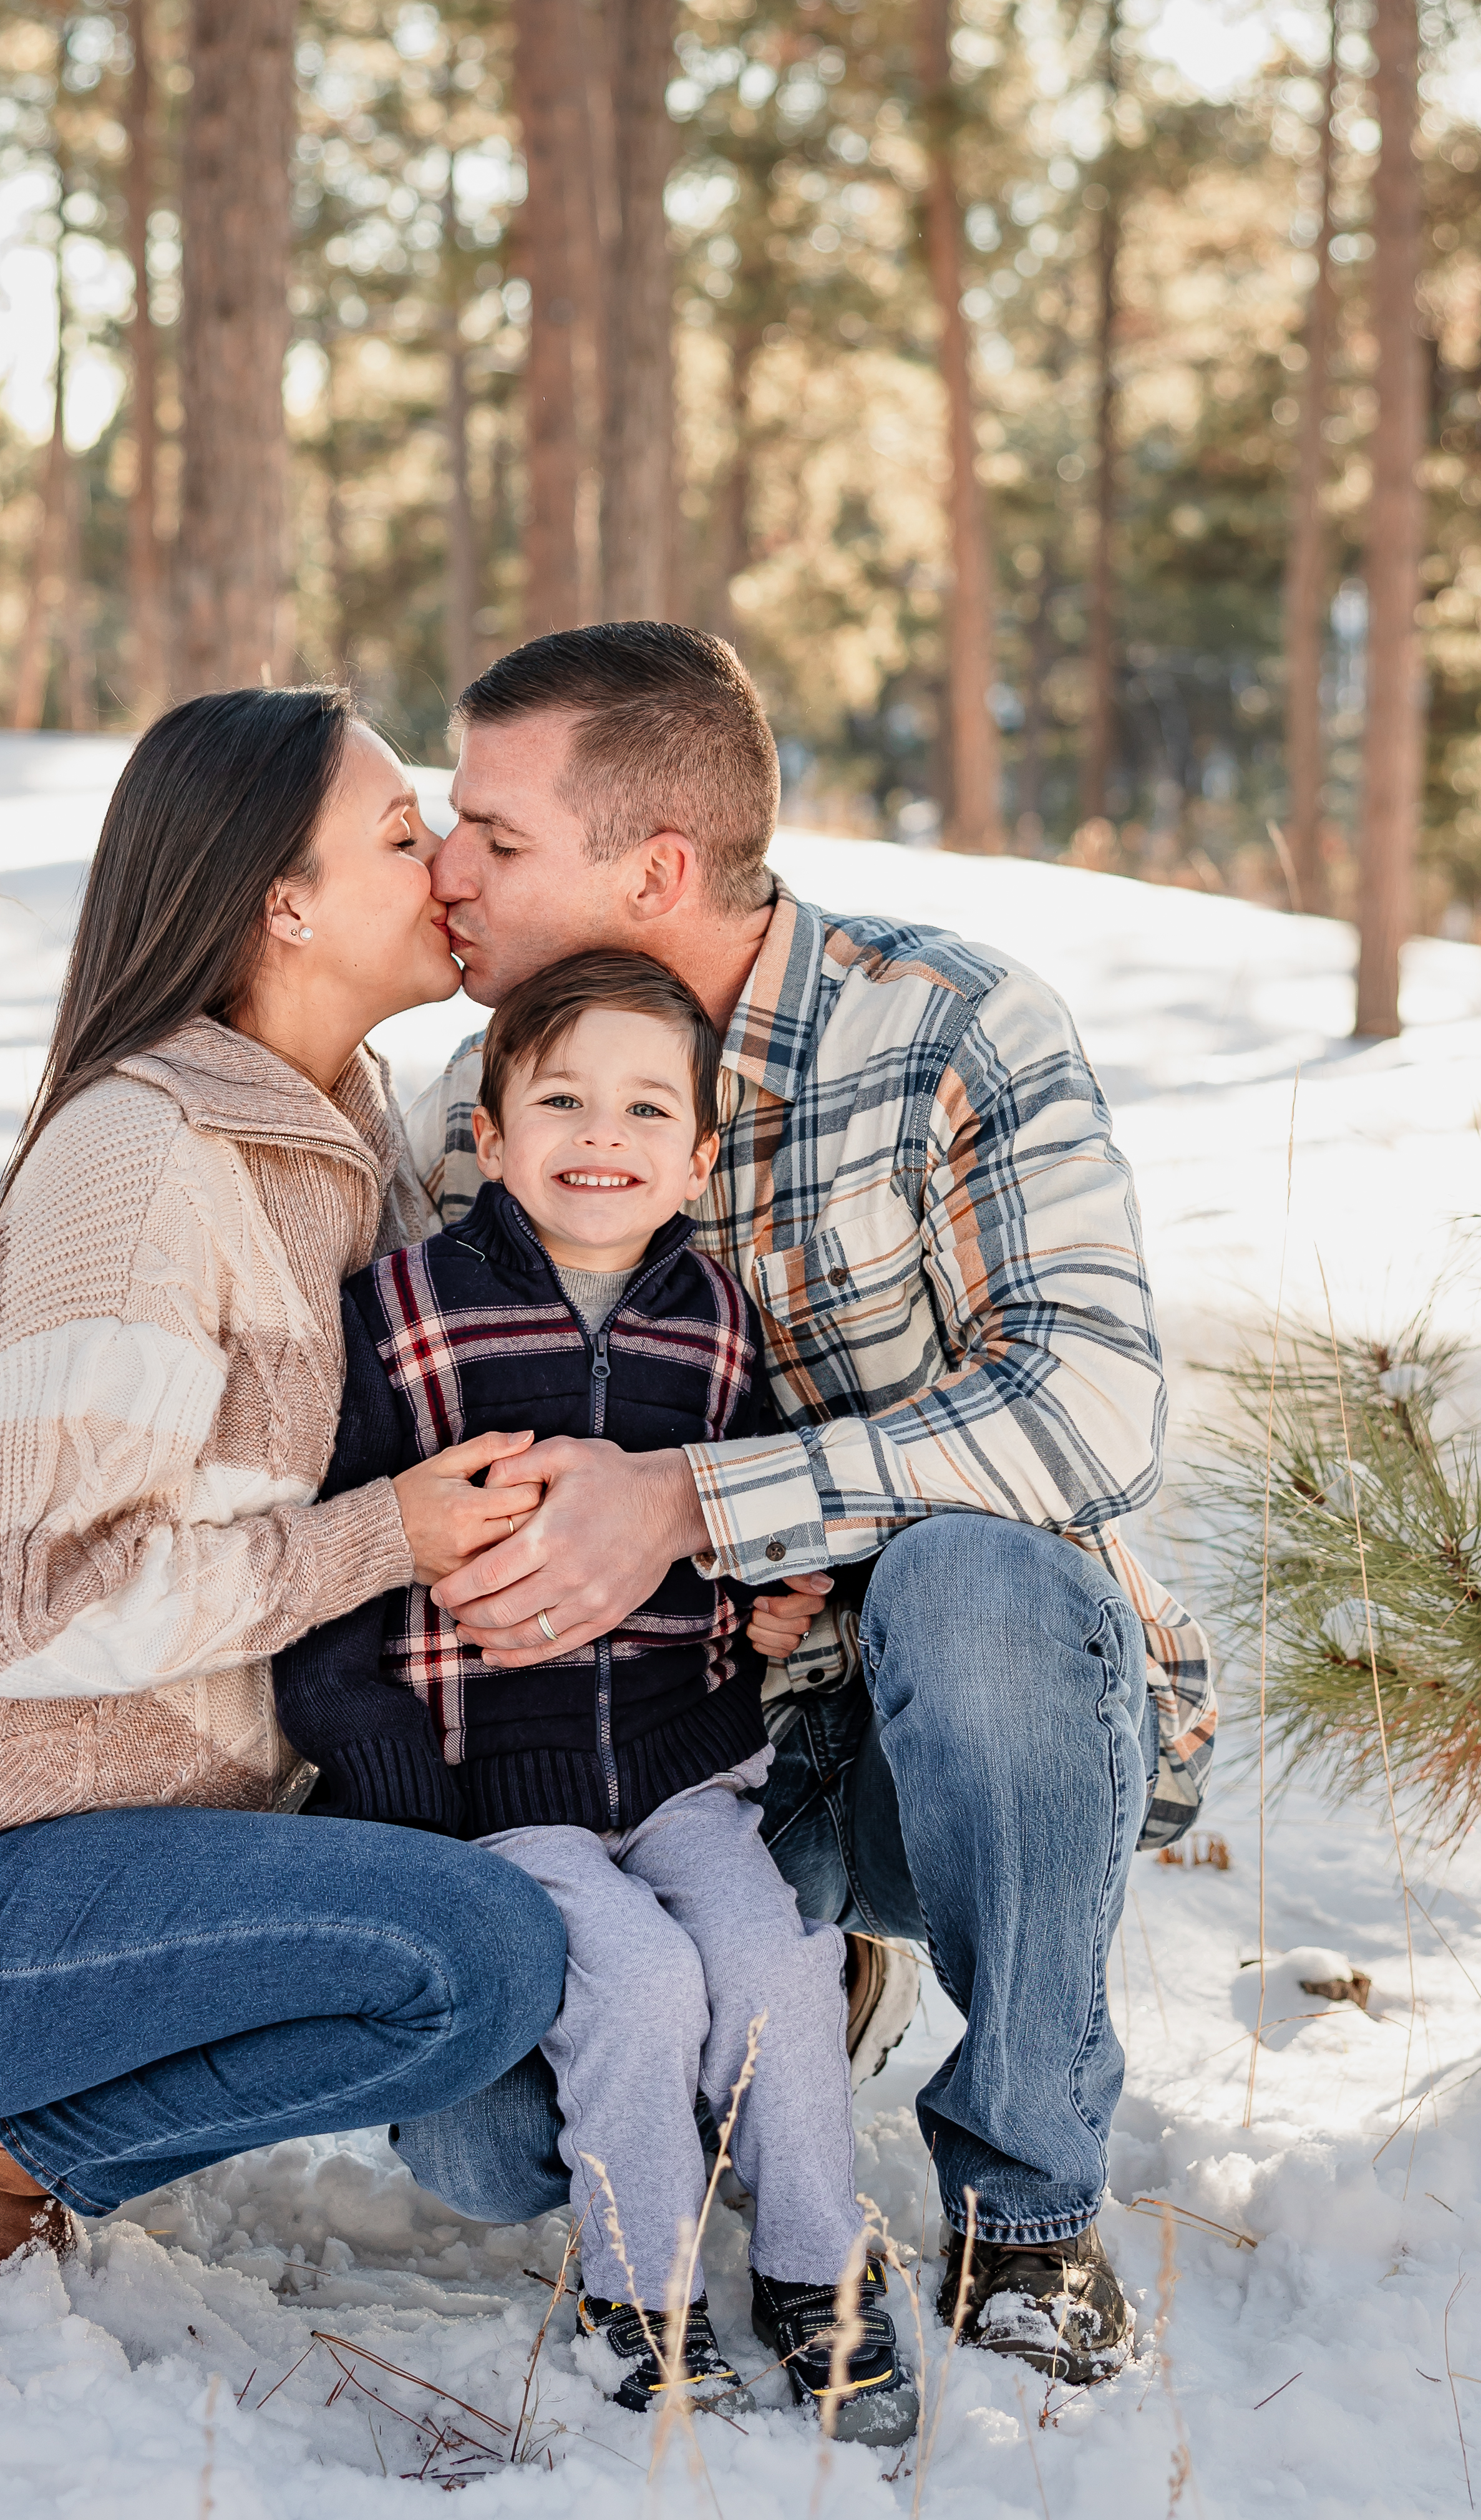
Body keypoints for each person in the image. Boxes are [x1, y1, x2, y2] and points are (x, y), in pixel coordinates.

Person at [389, 622, 1217, 2388]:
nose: (443, 866)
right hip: (654, 1748)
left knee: (977, 1583)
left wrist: (699, 1500)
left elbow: (1092, 1404)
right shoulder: (481, 1114)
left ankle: (1026, 2203)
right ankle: (780, 1989)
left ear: (655, 868)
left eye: (492, 833)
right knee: (478, 2154)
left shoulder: (948, 1028)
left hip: (960, 1733)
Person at [0, 688, 567, 2289]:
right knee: (480, 1952)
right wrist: (384, 1535)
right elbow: (51, 1608)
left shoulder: (343, 1131)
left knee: (501, 1956)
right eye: (406, 833)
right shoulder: (148, 1155)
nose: (451, 857)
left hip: (81, 1857)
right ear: (285, 902)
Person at [273, 949, 915, 2443]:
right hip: (494, 1787)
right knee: (635, 1982)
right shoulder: (403, 1319)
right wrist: (392, 1779)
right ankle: (647, 2292)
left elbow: (743, 1520)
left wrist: (769, 1602)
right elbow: (328, 1569)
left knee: (774, 1968)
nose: (601, 1132)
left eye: (645, 1106)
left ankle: (819, 2268)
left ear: (698, 1156)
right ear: (487, 1136)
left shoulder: (722, 1329)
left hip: (690, 1767)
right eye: (560, 1097)